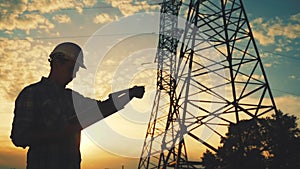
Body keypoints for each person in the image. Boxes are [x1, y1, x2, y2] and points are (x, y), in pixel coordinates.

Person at [10, 42, 145, 169]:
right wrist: (62, 133)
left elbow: (102, 108)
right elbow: (19, 137)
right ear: (57, 63)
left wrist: (129, 95)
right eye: (72, 69)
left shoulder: (72, 98)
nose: (74, 75)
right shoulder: (32, 94)